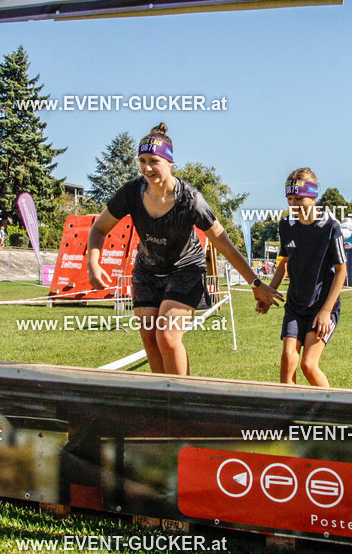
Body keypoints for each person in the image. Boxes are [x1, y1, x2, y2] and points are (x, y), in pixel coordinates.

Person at [87, 123, 282, 376]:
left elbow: (224, 243)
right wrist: (93, 262)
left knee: (167, 336)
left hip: (185, 270)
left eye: (154, 161)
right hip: (147, 271)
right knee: (150, 339)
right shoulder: (131, 193)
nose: (147, 168)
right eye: (142, 161)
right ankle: (164, 401)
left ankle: (183, 399)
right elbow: (98, 229)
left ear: (169, 162)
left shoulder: (190, 200)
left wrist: (255, 284)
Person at [258, 168, 346, 387]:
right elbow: (283, 263)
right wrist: (268, 293)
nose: (294, 204)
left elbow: (342, 271)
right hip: (295, 306)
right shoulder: (287, 226)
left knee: (308, 365)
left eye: (299, 198)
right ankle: (288, 414)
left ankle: (329, 412)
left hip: (321, 307)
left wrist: (326, 311)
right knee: (288, 359)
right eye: (289, 199)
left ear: (313, 196)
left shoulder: (330, 228)